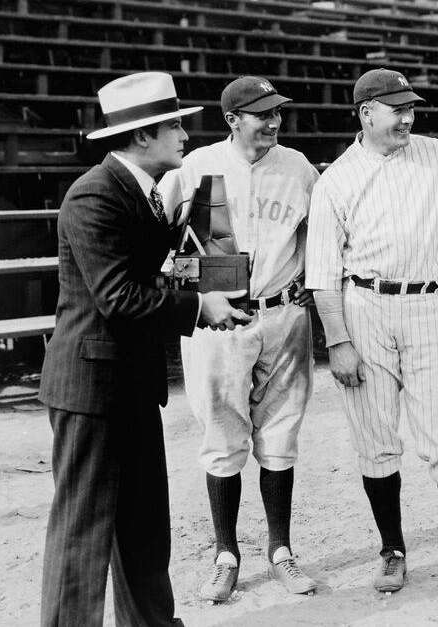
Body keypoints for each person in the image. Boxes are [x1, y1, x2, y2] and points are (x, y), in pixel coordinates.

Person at [38, 71, 249, 627]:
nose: (185, 133)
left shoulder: (148, 194)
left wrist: (205, 265)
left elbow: (156, 273)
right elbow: (119, 297)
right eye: (174, 125)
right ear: (140, 137)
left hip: (129, 384)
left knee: (143, 526)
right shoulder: (93, 195)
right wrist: (201, 307)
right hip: (89, 389)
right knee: (83, 535)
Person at [305, 68, 438, 598]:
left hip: (428, 302)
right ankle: (392, 550)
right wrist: (338, 341)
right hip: (365, 305)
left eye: (411, 107)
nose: (408, 117)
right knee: (375, 437)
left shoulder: (436, 153)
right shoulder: (336, 179)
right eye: (396, 109)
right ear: (366, 113)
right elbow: (322, 273)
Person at [159, 76, 320, 602]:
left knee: (280, 434)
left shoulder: (298, 168)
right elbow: (155, 233)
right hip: (218, 316)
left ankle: (281, 551)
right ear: (233, 119)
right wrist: (187, 287)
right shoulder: (196, 166)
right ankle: (226, 553)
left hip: (281, 314)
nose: (273, 121)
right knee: (221, 438)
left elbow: (320, 237)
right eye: (261, 114)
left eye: (277, 113)